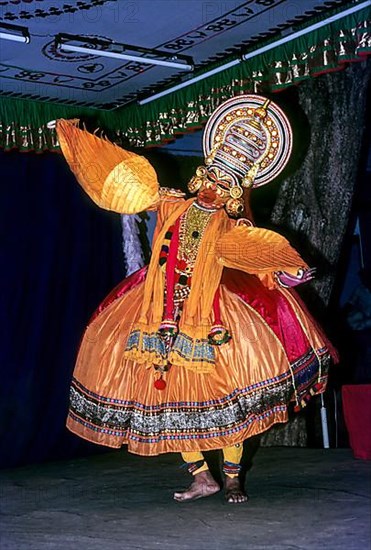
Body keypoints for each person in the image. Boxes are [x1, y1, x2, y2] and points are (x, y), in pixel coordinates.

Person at [54, 94, 335, 504]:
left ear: (235, 191)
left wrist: (285, 268)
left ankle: (234, 477)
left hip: (211, 319)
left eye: (224, 183)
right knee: (167, 399)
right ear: (201, 175)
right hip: (157, 314)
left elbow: (255, 251)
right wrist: (77, 141)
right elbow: (122, 185)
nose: (213, 187)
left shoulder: (232, 226)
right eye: (211, 177)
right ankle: (203, 476)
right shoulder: (170, 202)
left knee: (225, 399)